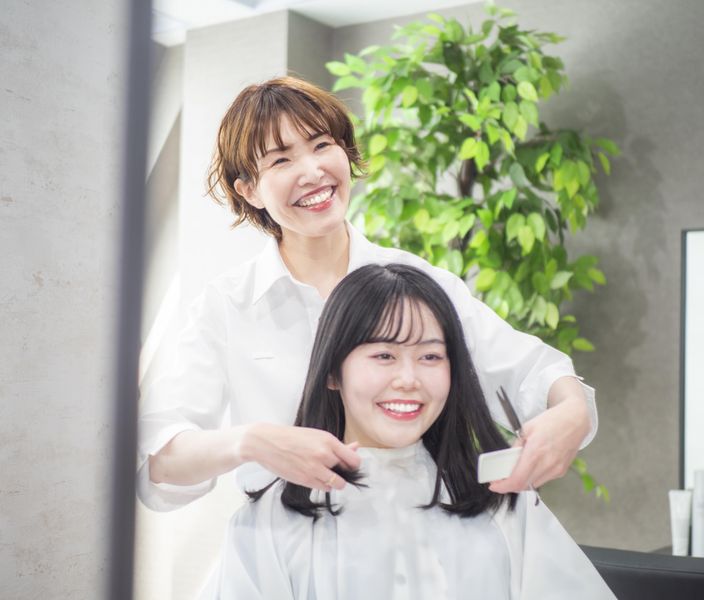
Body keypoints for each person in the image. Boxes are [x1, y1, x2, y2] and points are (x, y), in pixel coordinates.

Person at [137, 76, 598, 511]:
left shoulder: (417, 283)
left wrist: (571, 412)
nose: (313, 171)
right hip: (283, 547)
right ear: (249, 190)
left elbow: (534, 371)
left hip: (415, 540)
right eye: (281, 160)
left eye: (322, 145)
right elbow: (158, 459)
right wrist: (251, 441)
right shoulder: (226, 306)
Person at [200, 264, 615, 599]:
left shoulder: (501, 502)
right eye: (384, 355)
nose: (408, 379)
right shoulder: (270, 522)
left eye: (430, 356)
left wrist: (571, 408)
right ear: (332, 372)